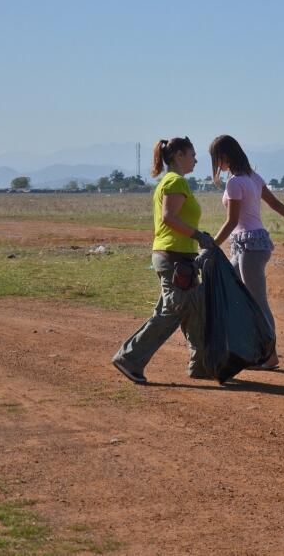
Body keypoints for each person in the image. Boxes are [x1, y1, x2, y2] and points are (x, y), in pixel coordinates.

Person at [112, 137, 217, 384]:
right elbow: (169, 218)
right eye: (192, 154)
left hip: (177, 258)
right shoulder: (175, 181)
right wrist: (198, 236)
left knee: (195, 310)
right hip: (174, 258)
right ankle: (130, 358)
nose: (196, 159)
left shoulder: (171, 182)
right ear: (179, 155)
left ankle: (201, 365)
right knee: (173, 311)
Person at [209, 135, 284, 370]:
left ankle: (270, 355)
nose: (217, 165)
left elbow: (232, 220)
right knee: (234, 295)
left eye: (217, 159)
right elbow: (274, 204)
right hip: (249, 245)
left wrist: (211, 245)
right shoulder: (253, 177)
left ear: (224, 157)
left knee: (258, 302)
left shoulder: (235, 182)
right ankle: (247, 349)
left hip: (249, 246)